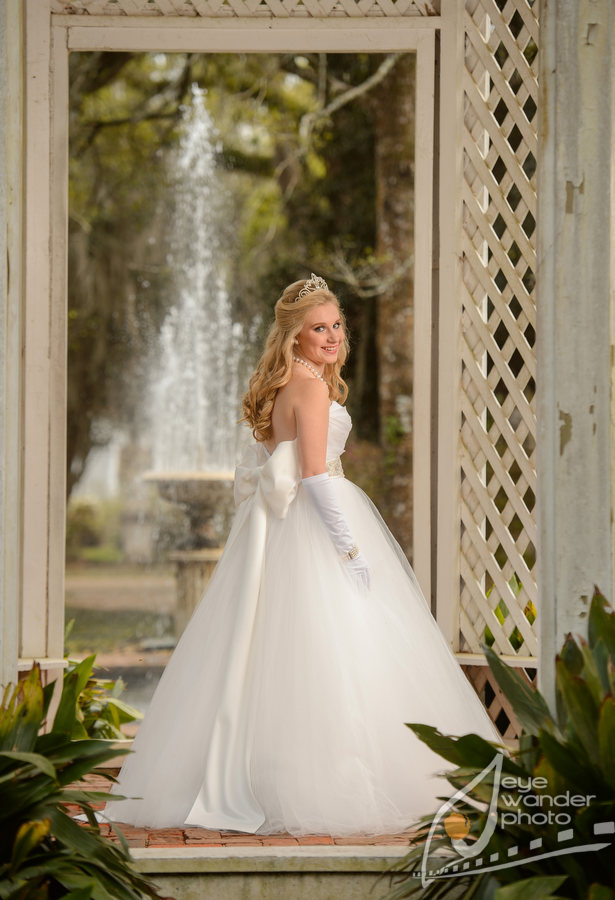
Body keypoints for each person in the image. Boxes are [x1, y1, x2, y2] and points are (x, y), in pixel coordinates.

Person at [106, 275, 501, 837]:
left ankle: (258, 772)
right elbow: (315, 474)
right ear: (293, 337)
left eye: (337, 325)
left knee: (265, 655)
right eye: (319, 328)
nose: (333, 336)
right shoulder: (312, 388)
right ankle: (337, 779)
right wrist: (351, 546)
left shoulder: (280, 385)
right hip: (315, 524)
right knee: (340, 650)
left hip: (273, 532)